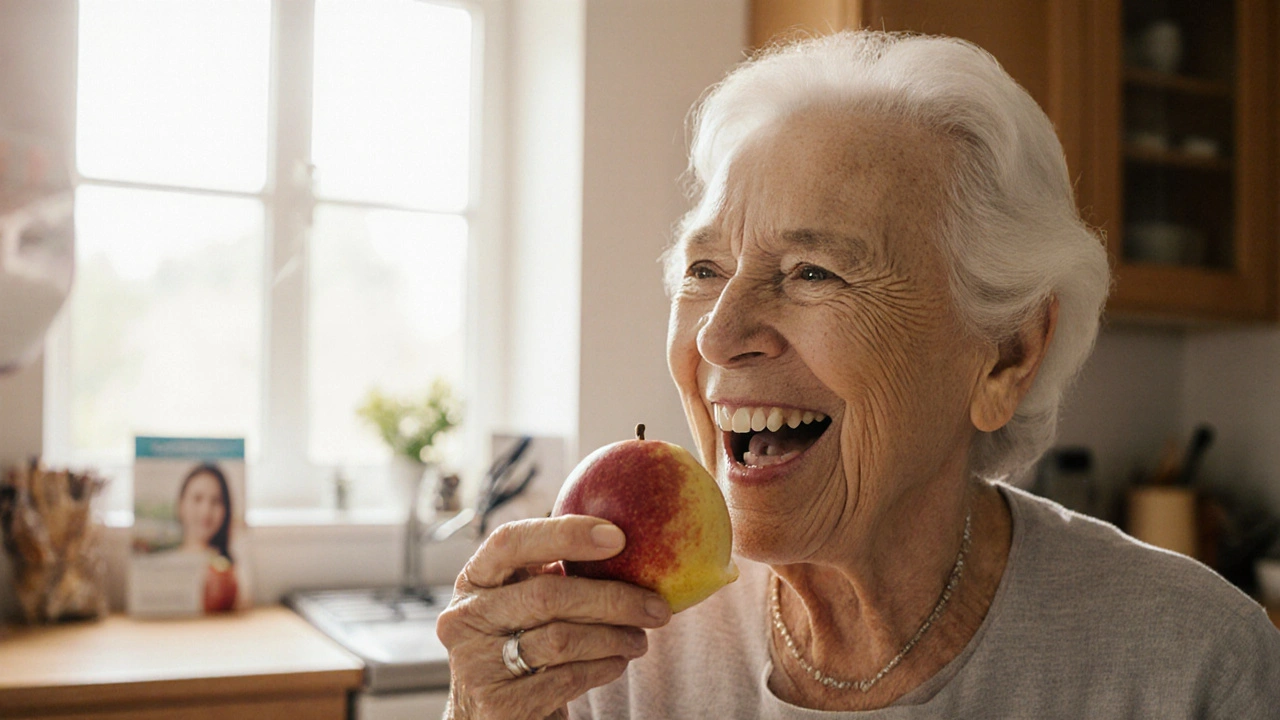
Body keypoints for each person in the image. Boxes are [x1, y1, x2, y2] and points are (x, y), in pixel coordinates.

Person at [436, 31, 1280, 718]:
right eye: (702, 270)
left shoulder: (1194, 666)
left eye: (813, 272)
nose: (721, 335)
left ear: (1007, 355)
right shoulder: (607, 641)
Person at [176, 462, 233, 562]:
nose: (206, 511)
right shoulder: (159, 561)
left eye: (216, 501)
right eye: (197, 499)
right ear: (181, 505)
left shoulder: (233, 569)